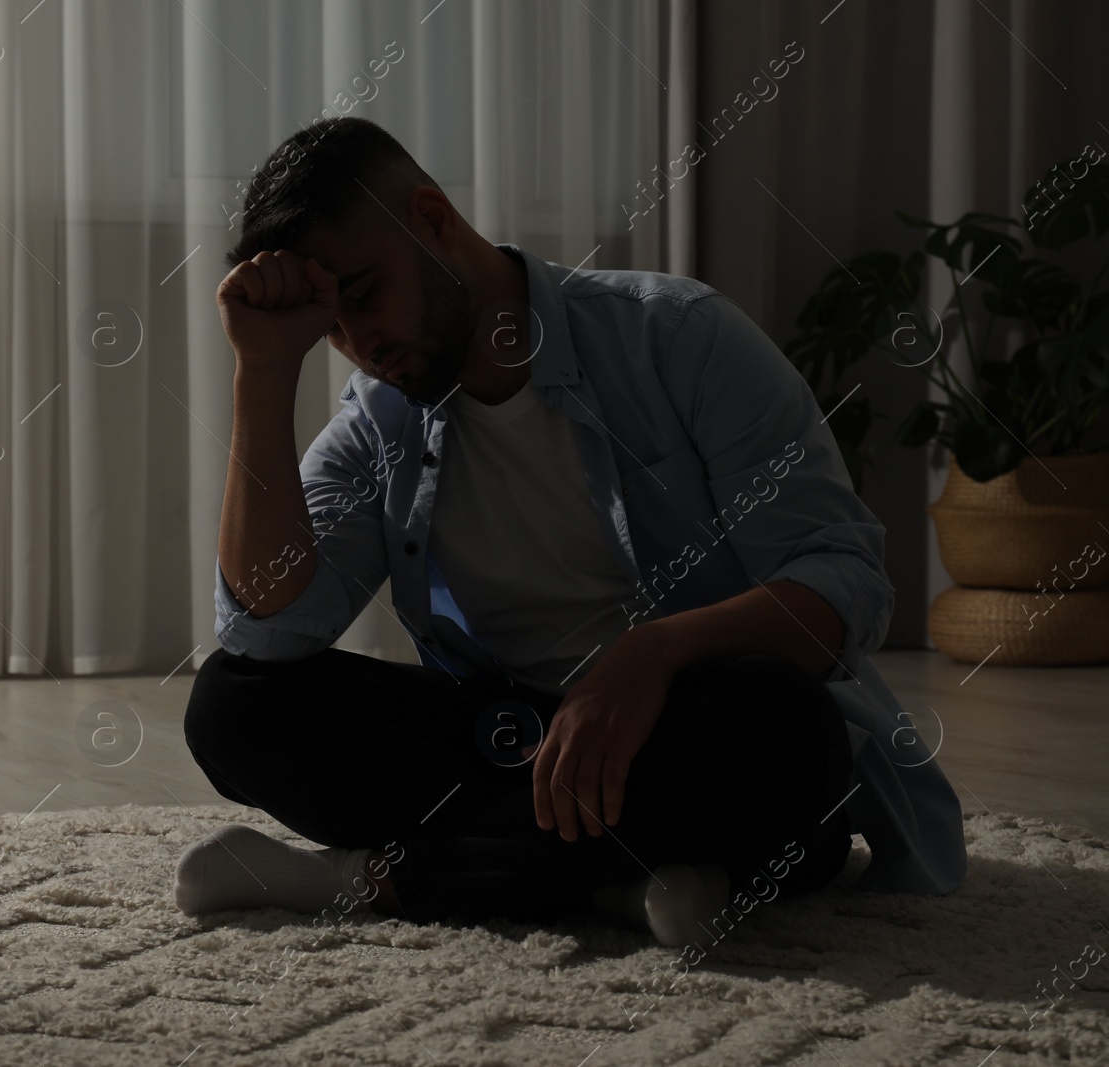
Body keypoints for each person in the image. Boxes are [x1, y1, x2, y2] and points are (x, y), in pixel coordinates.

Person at [175, 116, 966, 946]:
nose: (360, 346)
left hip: (688, 724)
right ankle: (621, 879)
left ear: (435, 218)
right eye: (330, 328)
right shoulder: (380, 420)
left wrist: (652, 655)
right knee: (235, 704)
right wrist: (263, 374)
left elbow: (845, 580)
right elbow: (266, 632)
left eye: (365, 294)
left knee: (788, 732)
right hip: (513, 745)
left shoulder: (678, 337)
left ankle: (365, 879)